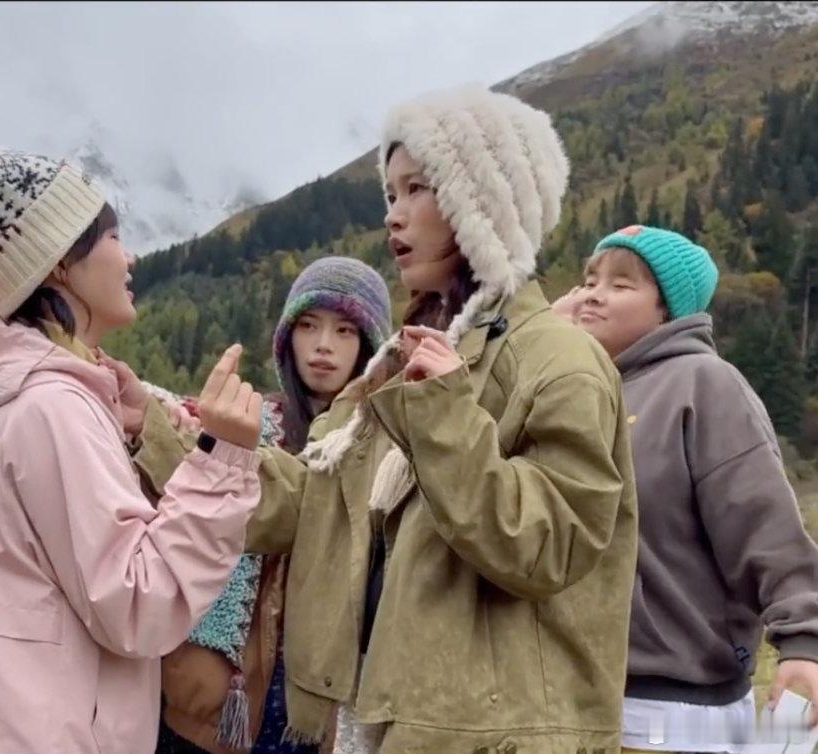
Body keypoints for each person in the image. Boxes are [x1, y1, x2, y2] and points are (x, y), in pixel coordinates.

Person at [141, 84, 639, 753]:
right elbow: (314, 503)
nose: (392, 216)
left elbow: (551, 547)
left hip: (497, 737)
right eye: (389, 193)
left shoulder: (561, 361)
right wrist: (158, 432)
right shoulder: (404, 364)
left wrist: (444, 417)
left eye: (416, 190)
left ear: (482, 202)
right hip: (384, 721)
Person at [0, 146, 263, 754]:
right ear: (57, 262)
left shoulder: (5, 391)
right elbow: (139, 604)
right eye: (113, 237)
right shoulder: (52, 407)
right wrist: (221, 459)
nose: (129, 257)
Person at [554, 225, 818, 754]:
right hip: (571, 698)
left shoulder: (703, 383)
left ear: (668, 311)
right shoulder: (571, 390)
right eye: (588, 280)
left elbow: (763, 522)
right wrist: (540, 335)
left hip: (675, 709)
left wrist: (804, 642)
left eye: (621, 284)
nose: (593, 295)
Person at [156, 256, 392, 754]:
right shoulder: (245, 425)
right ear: (287, 339)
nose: (323, 345)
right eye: (308, 326)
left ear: (370, 348)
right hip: (217, 691)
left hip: (311, 700)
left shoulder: (383, 453)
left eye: (345, 330)